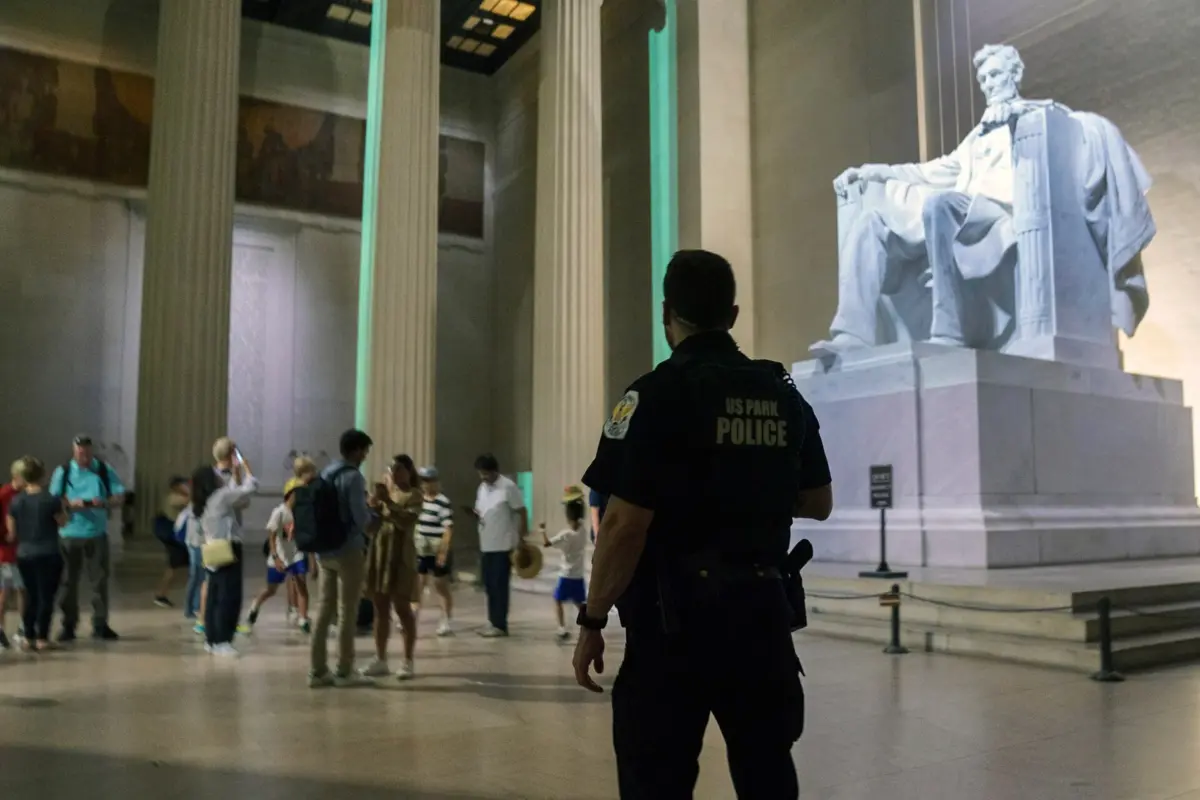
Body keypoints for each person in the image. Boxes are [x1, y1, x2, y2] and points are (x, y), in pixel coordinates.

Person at [572, 249, 834, 799]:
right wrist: (748, 489)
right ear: (732, 315)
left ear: (667, 313)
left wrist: (593, 617)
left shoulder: (654, 395)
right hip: (760, 618)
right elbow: (818, 501)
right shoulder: (781, 392)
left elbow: (622, 526)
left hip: (673, 628)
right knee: (767, 774)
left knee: (657, 781)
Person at [309, 428, 375, 688]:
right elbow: (360, 518)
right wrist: (373, 517)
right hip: (348, 550)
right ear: (356, 451)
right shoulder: (353, 477)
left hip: (325, 550)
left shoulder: (326, 472)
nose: (365, 456)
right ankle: (344, 670)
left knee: (324, 609)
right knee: (348, 611)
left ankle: (317, 670)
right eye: (365, 451)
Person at [50, 434, 126, 643]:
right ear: (74, 452)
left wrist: (104, 502)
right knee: (68, 581)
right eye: (80, 453)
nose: (84, 457)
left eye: (87, 453)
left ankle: (100, 624)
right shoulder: (63, 471)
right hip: (70, 533)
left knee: (99, 580)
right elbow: (54, 499)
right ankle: (68, 624)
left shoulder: (103, 469)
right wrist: (70, 504)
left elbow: (119, 495)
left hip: (96, 533)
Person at [361, 454, 422, 680]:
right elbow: (370, 529)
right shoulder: (387, 494)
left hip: (401, 557)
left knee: (403, 608)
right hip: (380, 554)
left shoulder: (414, 494)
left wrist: (387, 501)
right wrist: (374, 508)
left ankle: (408, 660)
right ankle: (380, 658)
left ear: (408, 471)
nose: (395, 474)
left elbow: (406, 520)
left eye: (399, 469)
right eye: (391, 469)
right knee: (380, 608)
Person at [194, 452, 258, 657]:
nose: (220, 476)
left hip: (213, 549)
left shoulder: (205, 500)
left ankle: (212, 639)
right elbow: (249, 488)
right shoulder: (220, 497)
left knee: (215, 595)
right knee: (229, 595)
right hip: (229, 548)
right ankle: (223, 640)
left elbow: (234, 495)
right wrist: (247, 470)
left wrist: (236, 474)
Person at [7, 458, 67, 652]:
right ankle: (42, 638)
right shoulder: (51, 500)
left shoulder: (16, 501)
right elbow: (63, 522)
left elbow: (12, 533)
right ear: (42, 475)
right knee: (46, 596)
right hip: (48, 553)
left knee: (30, 596)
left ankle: (28, 636)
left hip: (24, 554)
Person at [245, 478, 311, 634]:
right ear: (290, 494)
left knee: (301, 585)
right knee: (271, 589)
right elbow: (272, 536)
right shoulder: (279, 512)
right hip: (281, 555)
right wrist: (275, 557)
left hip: (296, 555)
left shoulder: (302, 513)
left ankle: (303, 618)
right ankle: (255, 606)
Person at [472, 453, 526, 637]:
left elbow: (522, 511)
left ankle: (500, 625)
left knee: (499, 586)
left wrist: (521, 538)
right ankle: (492, 621)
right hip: (486, 543)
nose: (483, 477)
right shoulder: (482, 488)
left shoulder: (508, 487)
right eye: (481, 473)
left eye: (486, 473)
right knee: (488, 585)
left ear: (495, 471)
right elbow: (481, 510)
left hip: (503, 545)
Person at [540, 485, 588, 641]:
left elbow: (546, 543)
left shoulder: (565, 534)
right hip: (578, 575)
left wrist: (542, 530)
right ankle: (588, 626)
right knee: (580, 603)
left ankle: (562, 629)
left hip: (566, 575)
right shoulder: (583, 531)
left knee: (558, 600)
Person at [413, 465, 454, 636]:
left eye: (429, 481)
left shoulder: (442, 502)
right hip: (421, 548)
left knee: (440, 585)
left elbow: (448, 528)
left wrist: (443, 551)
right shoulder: (419, 500)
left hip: (437, 549)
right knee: (418, 585)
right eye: (423, 481)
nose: (426, 484)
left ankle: (446, 619)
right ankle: (412, 618)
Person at [152, 476, 191, 608]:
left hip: (175, 536)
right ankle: (161, 594)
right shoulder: (174, 497)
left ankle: (162, 594)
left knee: (175, 566)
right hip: (172, 536)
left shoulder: (176, 497)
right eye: (184, 484)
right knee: (174, 565)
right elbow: (191, 500)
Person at [0, 459, 26, 650]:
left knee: (22, 590)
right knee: (5, 591)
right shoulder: (4, 495)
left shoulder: (24, 495)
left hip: (21, 550)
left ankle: (23, 628)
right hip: (6, 551)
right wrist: (6, 536)